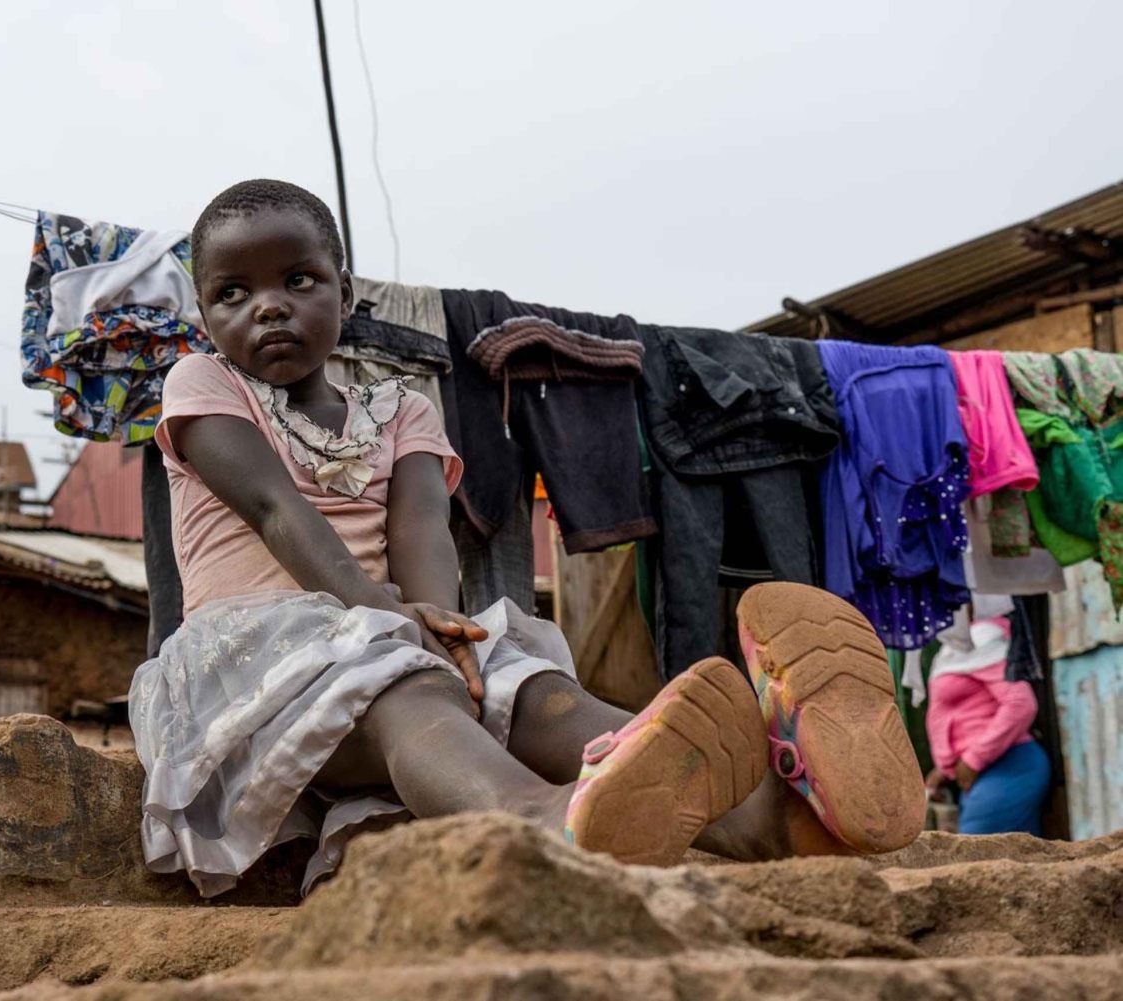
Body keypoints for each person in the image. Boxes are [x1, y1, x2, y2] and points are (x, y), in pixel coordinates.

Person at [128, 179, 928, 897]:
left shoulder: (401, 408)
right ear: (205, 315)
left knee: (530, 689)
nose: (268, 306)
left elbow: (422, 529)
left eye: (297, 280)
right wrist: (392, 622)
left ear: (346, 287)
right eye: (233, 293)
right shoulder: (202, 384)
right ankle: (543, 815)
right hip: (250, 669)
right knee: (409, 694)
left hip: (382, 633)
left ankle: (771, 819)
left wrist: (441, 628)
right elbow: (274, 508)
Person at [924, 612, 1050, 835]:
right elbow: (962, 715)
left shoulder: (984, 639)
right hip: (981, 775)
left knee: (972, 851)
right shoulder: (956, 646)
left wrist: (974, 760)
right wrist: (944, 768)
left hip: (1010, 766)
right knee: (1018, 855)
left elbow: (1021, 703)